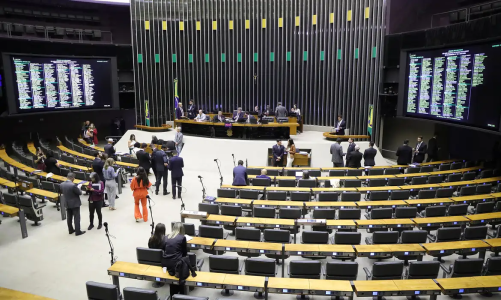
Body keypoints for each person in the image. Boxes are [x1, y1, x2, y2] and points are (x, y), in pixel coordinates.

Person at [162, 222, 193, 297]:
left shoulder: (166, 237)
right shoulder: (182, 238)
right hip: (177, 264)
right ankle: (181, 294)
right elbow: (184, 253)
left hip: (166, 263)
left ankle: (173, 293)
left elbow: (164, 249)